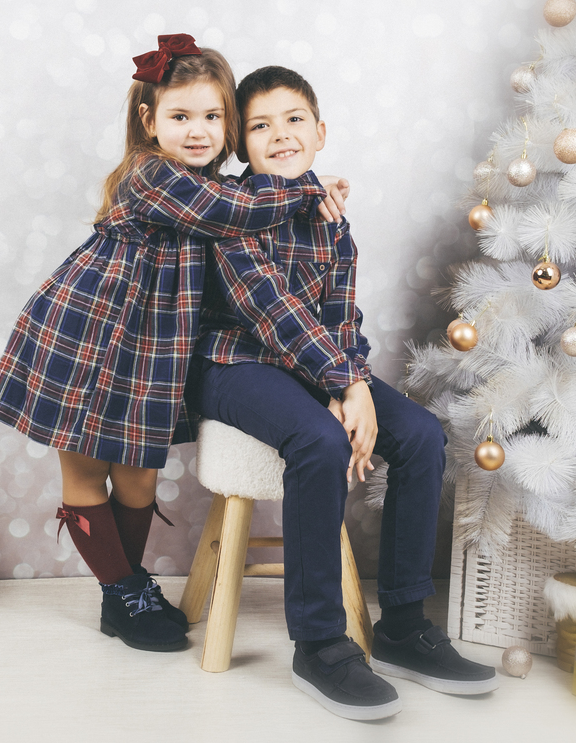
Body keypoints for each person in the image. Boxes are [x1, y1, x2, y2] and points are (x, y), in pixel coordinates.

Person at [0, 37, 346, 652]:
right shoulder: (154, 175)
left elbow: (243, 210)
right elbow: (226, 210)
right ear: (150, 121)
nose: (199, 131)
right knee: (87, 470)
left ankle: (125, 589)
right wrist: (309, 187)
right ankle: (123, 592)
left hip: (154, 349)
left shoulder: (220, 183)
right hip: (89, 332)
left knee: (139, 482)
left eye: (212, 116)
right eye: (181, 117)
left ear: (229, 122)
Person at [186, 66, 499, 719]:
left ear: (320, 131)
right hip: (233, 364)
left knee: (417, 433)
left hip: (316, 364)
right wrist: (344, 387)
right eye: (261, 126)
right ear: (242, 144)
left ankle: (405, 626)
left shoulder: (329, 218)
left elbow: (339, 318)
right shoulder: (232, 215)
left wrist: (350, 381)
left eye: (294, 119)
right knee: (318, 439)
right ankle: (321, 643)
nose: (280, 135)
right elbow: (274, 313)